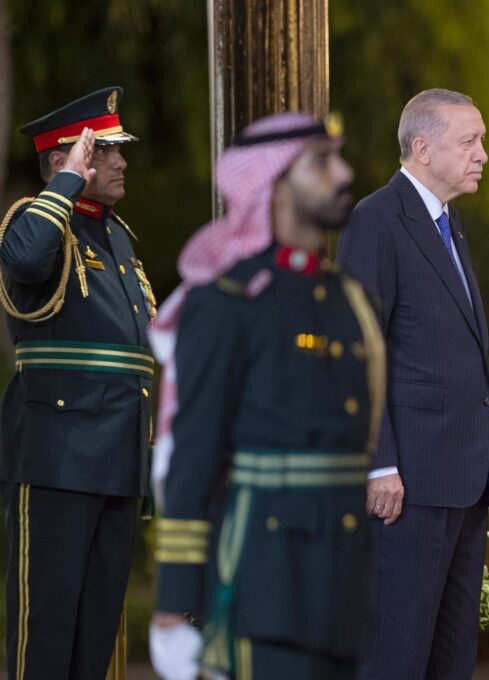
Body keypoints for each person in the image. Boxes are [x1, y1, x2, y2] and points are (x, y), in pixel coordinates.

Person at [147, 112, 383, 680]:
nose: (344, 173)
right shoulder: (228, 302)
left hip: (342, 585)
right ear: (272, 184)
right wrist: (172, 606)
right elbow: (191, 458)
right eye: (322, 162)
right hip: (263, 582)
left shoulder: (345, 295)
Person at [337, 88, 489, 680]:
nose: (483, 154)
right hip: (408, 489)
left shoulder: (448, 224)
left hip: (461, 481)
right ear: (423, 148)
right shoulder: (377, 220)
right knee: (396, 660)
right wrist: (379, 464)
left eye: (481, 140)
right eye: (469, 142)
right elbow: (359, 349)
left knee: (449, 663)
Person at [0, 86, 154, 680]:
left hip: (116, 461)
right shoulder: (37, 225)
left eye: (119, 149)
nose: (120, 161)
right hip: (57, 463)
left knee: (96, 645)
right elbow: (25, 262)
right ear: (68, 158)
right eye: (105, 150)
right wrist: (64, 183)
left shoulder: (117, 239)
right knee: (46, 639)